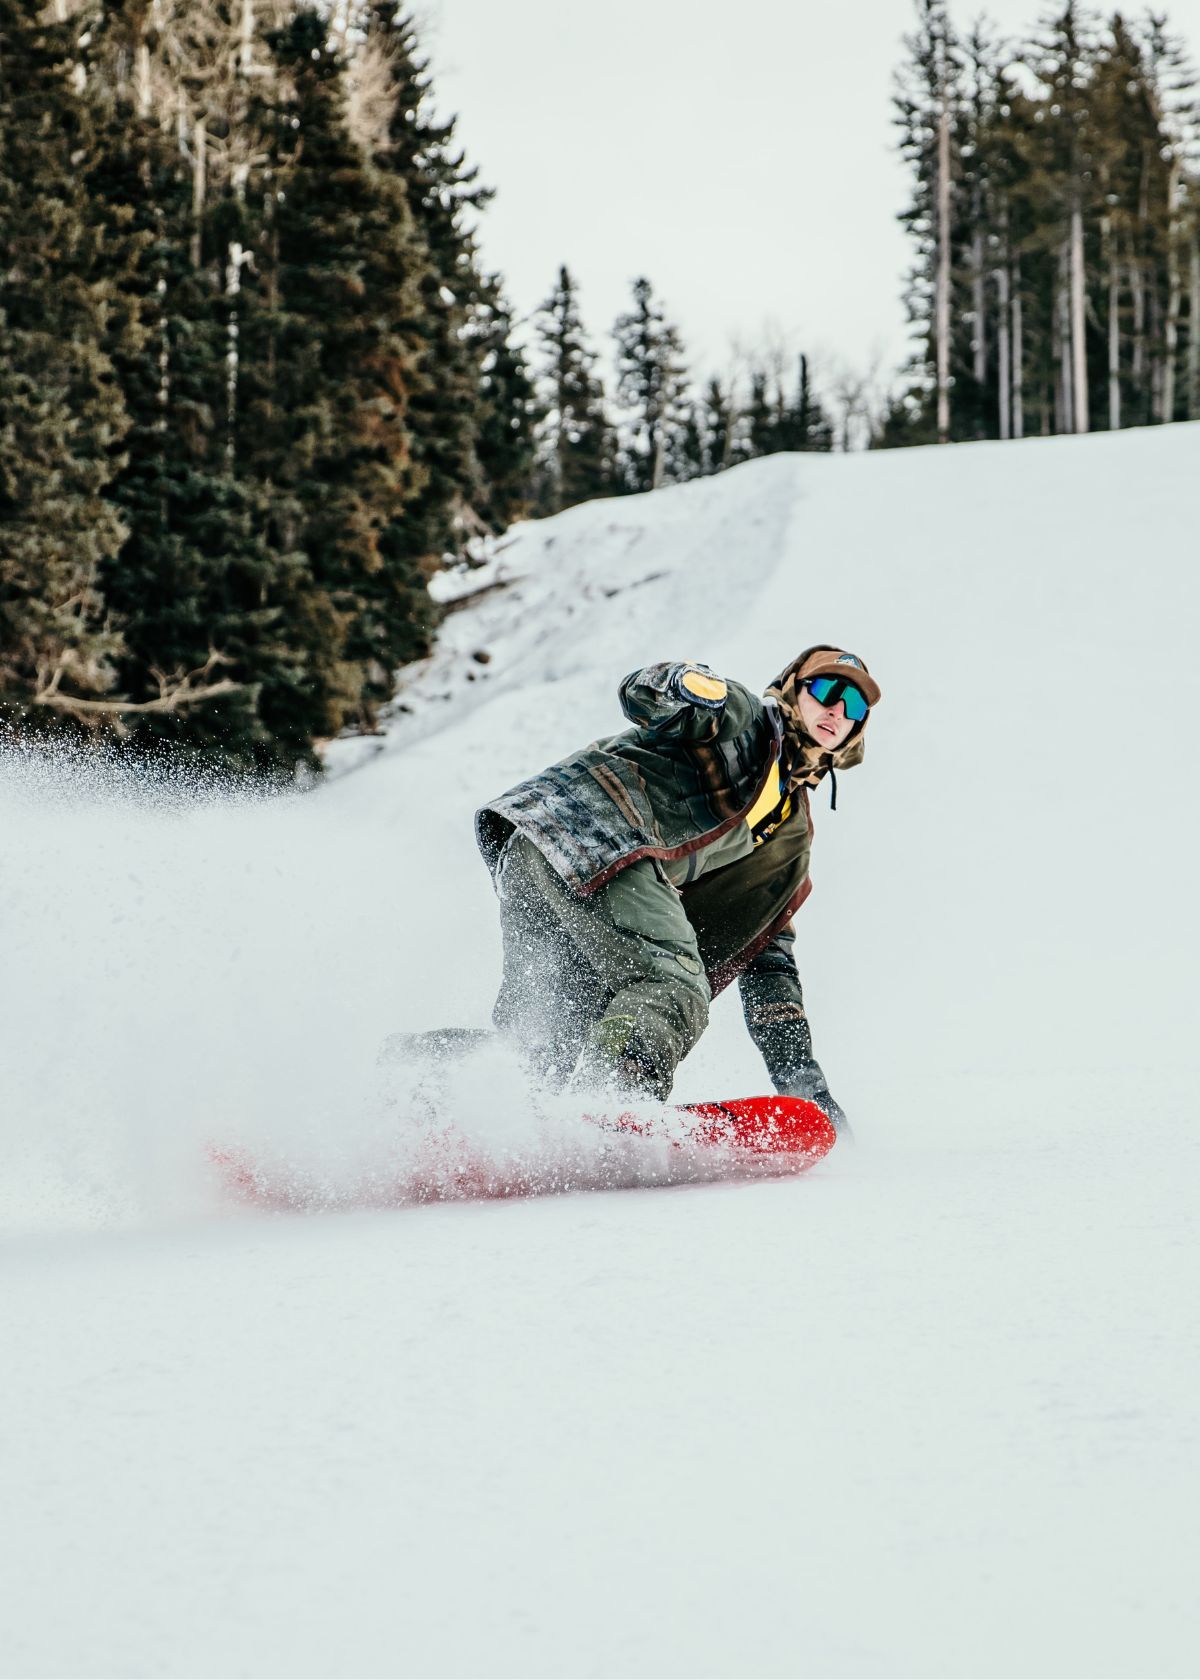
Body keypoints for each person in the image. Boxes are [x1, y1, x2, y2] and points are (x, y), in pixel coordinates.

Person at [474, 644, 881, 1130]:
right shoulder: (748, 723)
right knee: (671, 983)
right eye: (827, 690)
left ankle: (433, 1095)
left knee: (542, 1041)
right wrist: (683, 685)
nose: (838, 710)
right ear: (794, 690)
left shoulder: (788, 841)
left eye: (855, 707)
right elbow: (657, 695)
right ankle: (611, 1103)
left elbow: (769, 959)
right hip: (595, 834)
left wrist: (803, 1083)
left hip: (539, 852)